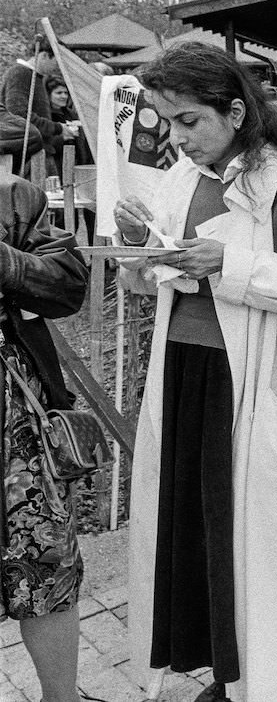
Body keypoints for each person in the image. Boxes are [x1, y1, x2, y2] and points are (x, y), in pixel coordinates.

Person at [112, 42, 277, 701]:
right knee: (199, 533)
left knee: (263, 542)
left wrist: (229, 263)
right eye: (167, 122)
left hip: (261, 387)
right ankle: (230, 669)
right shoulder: (178, 182)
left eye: (188, 120)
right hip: (187, 373)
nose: (178, 137)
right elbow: (154, 282)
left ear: (236, 111)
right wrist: (140, 251)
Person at [0, 169, 88, 701]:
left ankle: (63, 698)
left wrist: (7, 263)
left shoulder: (12, 197)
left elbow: (68, 283)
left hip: (15, 422)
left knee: (43, 556)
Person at [0, 41, 79, 176]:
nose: (59, 66)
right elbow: (19, 116)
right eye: (57, 60)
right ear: (43, 56)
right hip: (28, 157)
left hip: (40, 153)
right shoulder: (20, 74)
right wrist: (58, 128)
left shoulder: (36, 77)